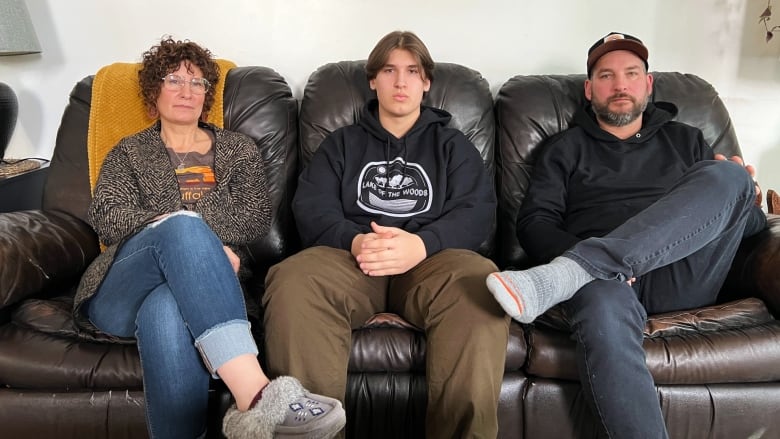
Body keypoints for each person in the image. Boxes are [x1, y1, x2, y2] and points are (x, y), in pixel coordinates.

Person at [486, 32, 767, 438]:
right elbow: (534, 224)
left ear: (648, 84)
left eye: (632, 74)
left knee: (730, 175)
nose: (620, 85)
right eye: (606, 76)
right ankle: (591, 267)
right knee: (600, 299)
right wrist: (602, 264)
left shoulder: (687, 139)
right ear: (589, 89)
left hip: (683, 271)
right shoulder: (564, 148)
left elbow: (742, 224)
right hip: (606, 288)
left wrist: (744, 194)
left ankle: (577, 269)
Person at [73, 37, 345, 439]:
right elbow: (110, 218)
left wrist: (195, 243)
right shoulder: (128, 152)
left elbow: (253, 218)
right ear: (154, 92)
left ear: (207, 95)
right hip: (121, 292)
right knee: (182, 227)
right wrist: (189, 234)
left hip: (196, 292)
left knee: (166, 305)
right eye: (174, 80)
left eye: (197, 83)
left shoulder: (238, 150)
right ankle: (256, 396)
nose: (187, 91)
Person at [262, 30, 510, 438]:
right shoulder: (341, 144)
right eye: (389, 71)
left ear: (426, 82)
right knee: (293, 279)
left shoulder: (453, 145)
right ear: (372, 80)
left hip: (432, 261)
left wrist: (422, 244)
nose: (400, 82)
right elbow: (311, 207)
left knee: (483, 286)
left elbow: (478, 212)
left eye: (412, 71)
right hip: (351, 259)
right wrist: (355, 240)